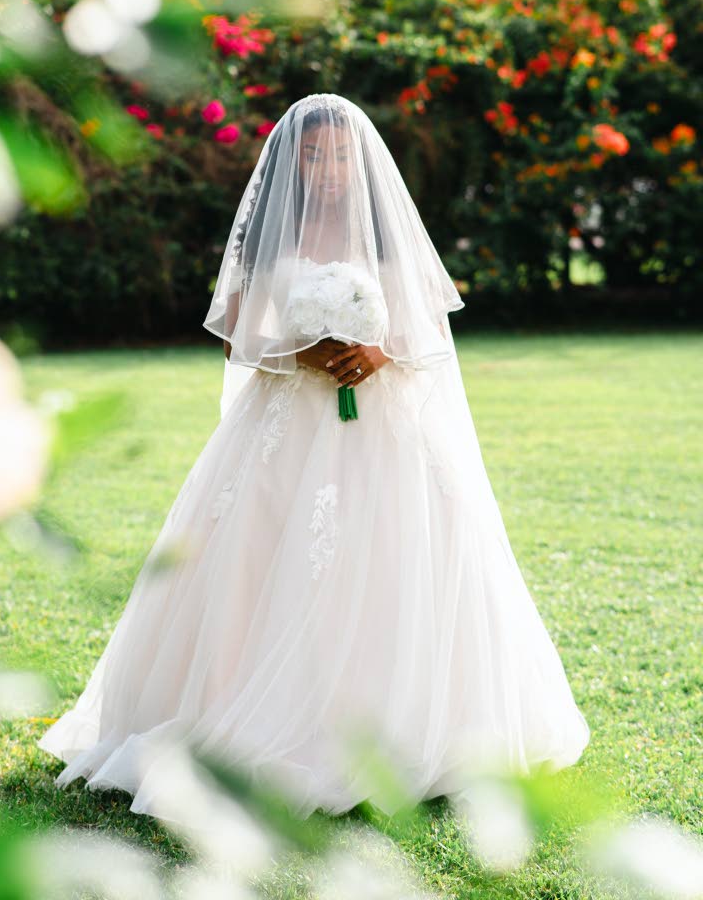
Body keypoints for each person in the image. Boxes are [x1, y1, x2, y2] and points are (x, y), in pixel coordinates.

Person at [38, 92, 590, 821]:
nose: (327, 168)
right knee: (258, 563)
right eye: (314, 155)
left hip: (382, 432)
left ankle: (399, 722)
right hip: (284, 428)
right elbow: (236, 335)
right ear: (295, 161)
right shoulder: (272, 234)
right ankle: (247, 709)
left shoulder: (387, 234)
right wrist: (297, 350)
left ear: (356, 159)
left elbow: (427, 335)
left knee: (394, 562)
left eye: (337, 155)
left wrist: (375, 352)